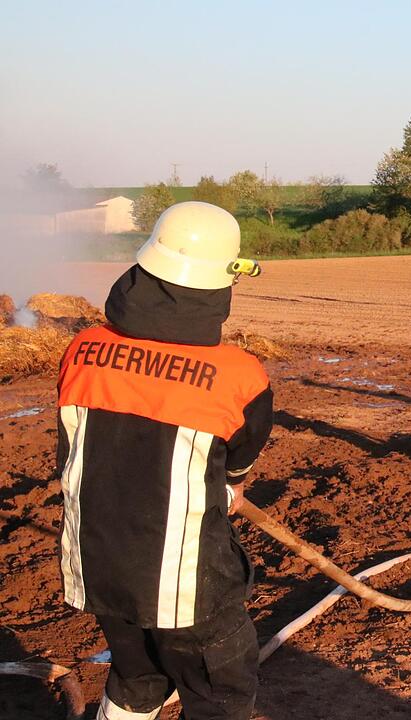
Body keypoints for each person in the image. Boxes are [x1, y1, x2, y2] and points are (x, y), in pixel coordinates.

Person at [55, 201, 273, 720]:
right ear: (223, 283)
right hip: (186, 582)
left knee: (137, 676)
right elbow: (236, 464)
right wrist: (230, 486)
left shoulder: (81, 349)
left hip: (96, 563)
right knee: (220, 692)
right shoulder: (240, 376)